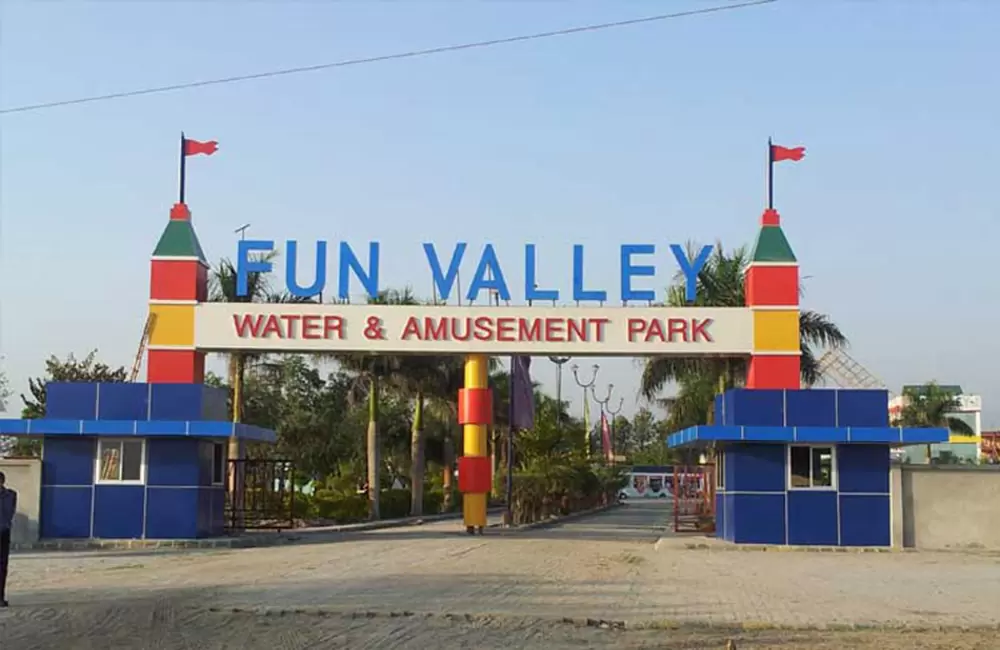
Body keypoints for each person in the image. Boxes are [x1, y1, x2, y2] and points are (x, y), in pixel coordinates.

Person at [0, 470, 16, 607]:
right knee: (2, 566)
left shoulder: (11, 495)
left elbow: (10, 512)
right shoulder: (10, 495)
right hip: (4, 530)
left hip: (4, 532)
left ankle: (0, 597)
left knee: (2, 566)